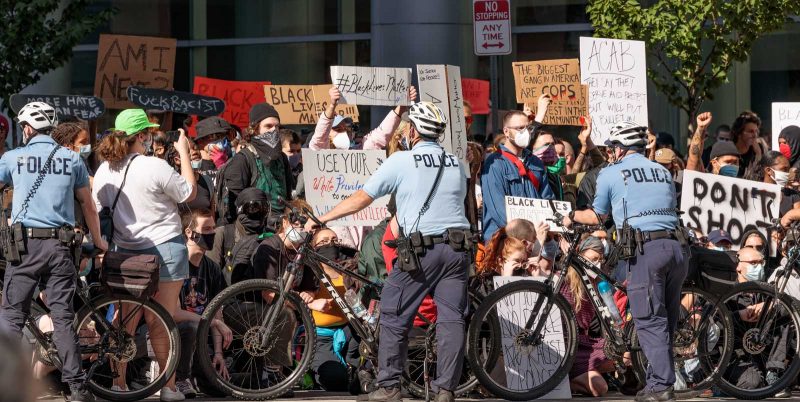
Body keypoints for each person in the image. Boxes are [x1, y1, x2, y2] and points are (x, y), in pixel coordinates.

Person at [304, 101, 471, 402]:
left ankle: (390, 386)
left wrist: (324, 218)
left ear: (413, 131)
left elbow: (362, 198)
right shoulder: (457, 163)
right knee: (451, 320)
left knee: (393, 314)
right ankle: (446, 389)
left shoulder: (402, 160)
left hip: (422, 250)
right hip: (458, 248)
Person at [563, 120, 686, 402]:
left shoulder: (611, 173)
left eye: (611, 148)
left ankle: (661, 386)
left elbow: (597, 216)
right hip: (676, 247)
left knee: (649, 320)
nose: (609, 153)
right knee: (665, 319)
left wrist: (569, 217)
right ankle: (658, 380)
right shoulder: (661, 170)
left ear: (619, 149)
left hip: (647, 249)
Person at [0, 102, 107, 402]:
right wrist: (99, 241)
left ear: (28, 128)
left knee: (11, 318)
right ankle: (77, 387)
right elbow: (88, 205)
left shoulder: (13, 157)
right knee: (62, 318)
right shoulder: (71, 160)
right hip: (60, 247)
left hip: (25, 248)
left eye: (23, 126)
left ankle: (8, 384)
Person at [93, 108, 196, 400]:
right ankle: (169, 388)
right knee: (160, 320)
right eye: (148, 132)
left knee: (125, 321)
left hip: (126, 253)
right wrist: (184, 153)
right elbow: (188, 192)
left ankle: (118, 384)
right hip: (165, 248)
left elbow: (98, 208)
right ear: (142, 136)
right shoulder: (154, 166)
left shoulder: (104, 170)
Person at [173, 209, 231, 398]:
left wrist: (218, 353)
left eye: (213, 228)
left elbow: (216, 312)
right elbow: (174, 312)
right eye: (206, 229)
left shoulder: (212, 268)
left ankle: (196, 375)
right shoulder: (176, 262)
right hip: (174, 335)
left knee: (221, 390)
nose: (211, 233)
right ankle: (179, 378)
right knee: (190, 326)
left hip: (201, 339)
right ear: (190, 232)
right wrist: (212, 322)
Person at [481, 100, 555, 241]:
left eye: (527, 128)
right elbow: (498, 209)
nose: (525, 133)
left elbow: (547, 200)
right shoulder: (495, 163)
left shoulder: (536, 162)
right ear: (506, 131)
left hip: (535, 239)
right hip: (505, 240)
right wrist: (522, 236)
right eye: (520, 128)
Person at [300, 228, 362, 392]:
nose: (331, 244)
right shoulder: (309, 273)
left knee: (359, 380)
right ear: (314, 248)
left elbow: (357, 304)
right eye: (324, 241)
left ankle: (350, 367)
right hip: (321, 338)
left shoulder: (348, 270)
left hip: (350, 333)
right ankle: (317, 372)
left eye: (334, 240)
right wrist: (307, 298)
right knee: (336, 379)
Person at [561, 236, 617, 397]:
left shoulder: (596, 284)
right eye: (592, 259)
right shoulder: (564, 279)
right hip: (564, 344)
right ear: (580, 256)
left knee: (624, 356)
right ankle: (560, 383)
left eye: (600, 259)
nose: (596, 264)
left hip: (583, 345)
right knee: (599, 387)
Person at [218, 103, 293, 224]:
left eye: (277, 127)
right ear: (254, 129)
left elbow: (288, 196)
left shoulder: (282, 158)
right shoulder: (243, 159)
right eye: (268, 126)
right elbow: (234, 204)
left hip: (281, 226)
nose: (274, 130)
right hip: (255, 230)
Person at [310, 86, 417, 151]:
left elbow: (380, 135)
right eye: (337, 129)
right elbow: (320, 133)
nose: (344, 132)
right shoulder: (319, 149)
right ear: (327, 133)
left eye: (345, 128)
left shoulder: (360, 150)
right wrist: (332, 105)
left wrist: (402, 106)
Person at [731, 111, 764, 179]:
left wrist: (758, 154)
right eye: (750, 131)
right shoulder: (728, 151)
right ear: (739, 133)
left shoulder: (758, 150)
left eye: (756, 131)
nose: (755, 135)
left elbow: (761, 176)